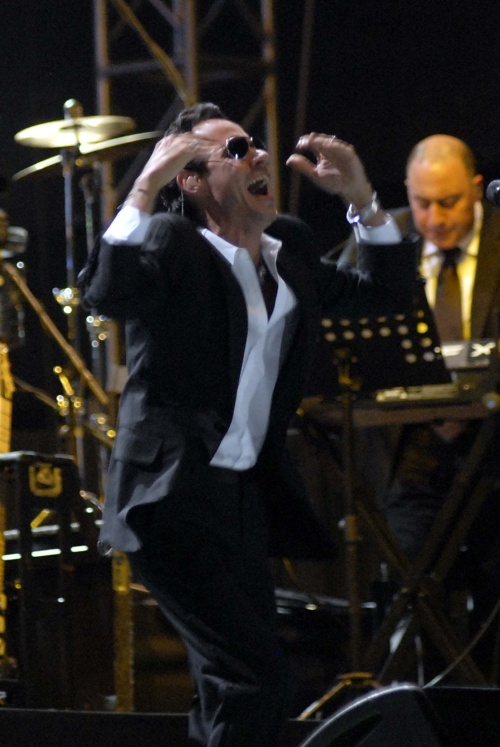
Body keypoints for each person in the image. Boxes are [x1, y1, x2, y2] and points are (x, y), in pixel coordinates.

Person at [77, 102, 417, 746]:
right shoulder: (173, 241)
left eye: (253, 144)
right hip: (169, 498)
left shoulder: (289, 247)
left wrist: (361, 197)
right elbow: (108, 293)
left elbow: (385, 293)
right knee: (253, 679)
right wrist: (144, 186)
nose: (257, 155)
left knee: (229, 685)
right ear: (191, 180)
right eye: (234, 152)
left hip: (240, 500)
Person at [338, 135, 500, 675]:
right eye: (422, 202)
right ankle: (429, 700)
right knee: (412, 580)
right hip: (409, 451)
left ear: (476, 188)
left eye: (449, 202)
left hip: (492, 446)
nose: (434, 218)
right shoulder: (384, 241)